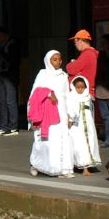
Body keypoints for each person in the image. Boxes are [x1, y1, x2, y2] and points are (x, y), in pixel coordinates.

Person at [26, 50, 74, 178]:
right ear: (48, 61)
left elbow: (67, 95)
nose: (58, 61)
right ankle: (36, 164)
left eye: (59, 59)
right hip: (46, 112)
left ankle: (63, 169)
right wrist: (48, 93)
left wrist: (70, 113)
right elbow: (34, 93)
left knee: (62, 139)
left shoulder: (64, 76)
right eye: (54, 59)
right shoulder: (43, 74)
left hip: (61, 111)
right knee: (45, 140)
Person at [67, 75, 101, 175]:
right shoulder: (71, 96)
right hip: (77, 124)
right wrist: (70, 119)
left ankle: (89, 164)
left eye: (82, 87)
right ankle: (82, 166)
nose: (80, 89)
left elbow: (91, 110)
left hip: (88, 123)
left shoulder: (88, 96)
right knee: (79, 144)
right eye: (78, 87)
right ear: (74, 87)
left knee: (90, 142)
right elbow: (69, 109)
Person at [0, 26, 21, 136]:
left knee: (10, 101)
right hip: (3, 74)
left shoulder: (12, 44)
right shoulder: (4, 44)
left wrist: (1, 52)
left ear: (3, 34)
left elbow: (13, 59)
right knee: (1, 100)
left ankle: (13, 127)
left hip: (11, 75)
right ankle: (3, 126)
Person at [65, 29, 98, 96]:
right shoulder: (90, 53)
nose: (75, 44)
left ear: (80, 41)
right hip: (85, 92)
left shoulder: (87, 54)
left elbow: (70, 69)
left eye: (75, 42)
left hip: (84, 94)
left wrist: (71, 64)